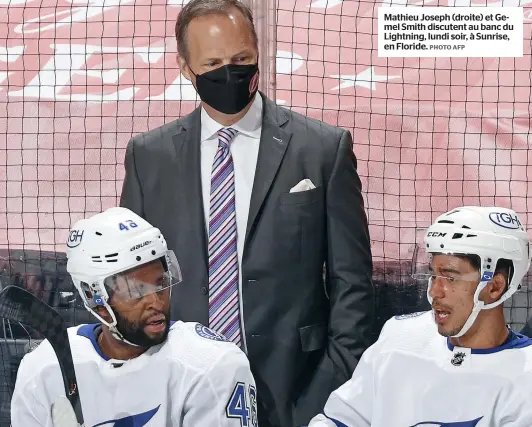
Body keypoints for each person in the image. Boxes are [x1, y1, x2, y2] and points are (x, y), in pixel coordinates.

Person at [119, 1, 374, 426]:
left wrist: (328, 390)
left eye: (241, 59)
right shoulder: (148, 157)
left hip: (297, 393)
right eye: (213, 63)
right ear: (186, 67)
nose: (230, 72)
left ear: (258, 51)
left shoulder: (323, 150)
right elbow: (132, 279)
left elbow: (354, 284)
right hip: (181, 393)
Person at [11, 207, 257, 427]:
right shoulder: (42, 368)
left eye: (160, 283)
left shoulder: (212, 365)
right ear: (95, 298)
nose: (155, 301)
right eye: (136, 290)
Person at [309, 206, 532, 427]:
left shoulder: (525, 378)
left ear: (494, 287)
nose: (434, 291)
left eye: (451, 278)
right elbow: (340, 419)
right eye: (433, 274)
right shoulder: (401, 336)